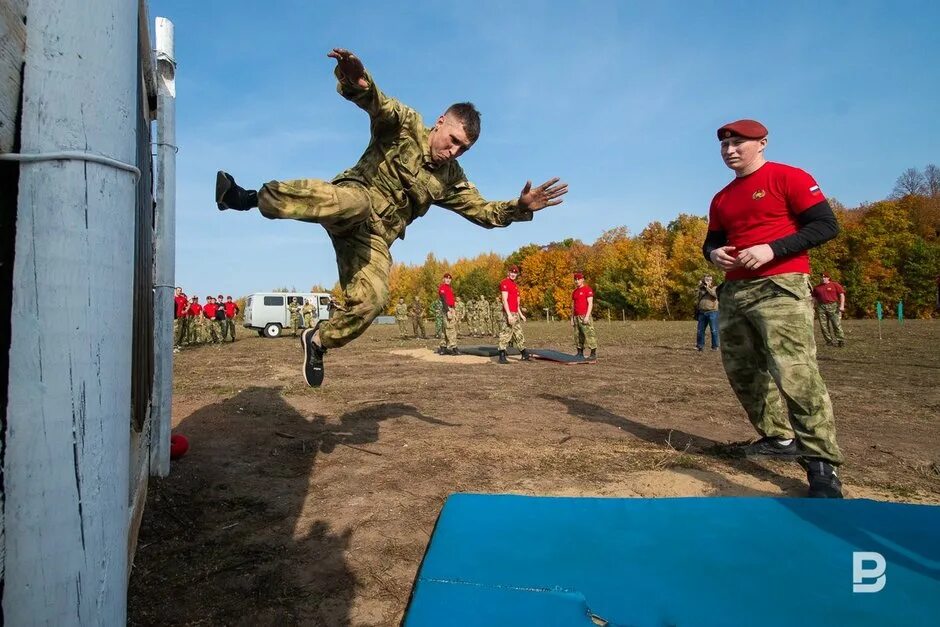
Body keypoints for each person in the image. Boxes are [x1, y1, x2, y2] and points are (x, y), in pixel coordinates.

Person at [215, 48, 567, 387]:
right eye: (453, 140)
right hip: (352, 200)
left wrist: (519, 207)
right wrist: (357, 81)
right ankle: (245, 197)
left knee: (374, 299)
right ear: (441, 122)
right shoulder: (407, 125)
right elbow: (377, 104)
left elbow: (485, 212)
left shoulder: (451, 178)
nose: (453, 151)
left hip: (373, 240)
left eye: (463, 149)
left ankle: (319, 340)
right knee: (355, 204)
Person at [702, 118, 844, 498]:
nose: (729, 150)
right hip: (734, 292)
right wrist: (714, 254)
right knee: (743, 372)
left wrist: (772, 249)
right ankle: (778, 439)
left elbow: (826, 226)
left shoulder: (790, 178)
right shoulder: (721, 197)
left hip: (781, 285)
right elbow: (711, 242)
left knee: (795, 371)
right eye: (724, 145)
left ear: (762, 143)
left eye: (738, 143)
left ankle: (821, 464)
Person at [497, 266, 529, 364]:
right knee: (506, 333)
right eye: (511, 272)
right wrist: (509, 315)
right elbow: (504, 300)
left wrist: (521, 314)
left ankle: (524, 353)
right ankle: (501, 355)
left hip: (515, 313)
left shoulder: (515, 285)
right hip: (508, 313)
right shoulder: (504, 283)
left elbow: (517, 303)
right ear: (508, 272)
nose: (513, 274)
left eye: (515, 273)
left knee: (518, 333)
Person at [812, 273, 846, 347]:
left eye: (825, 277)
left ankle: (840, 340)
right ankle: (829, 341)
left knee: (836, 324)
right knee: (823, 325)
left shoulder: (834, 285)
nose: (823, 278)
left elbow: (842, 295)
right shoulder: (817, 287)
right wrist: (812, 307)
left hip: (833, 306)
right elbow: (814, 298)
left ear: (828, 278)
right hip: (821, 307)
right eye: (822, 277)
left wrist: (842, 306)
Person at [571, 272, 597, 359]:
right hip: (576, 316)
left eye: (578, 279)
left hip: (584, 315)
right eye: (575, 279)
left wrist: (587, 316)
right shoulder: (574, 292)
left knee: (589, 334)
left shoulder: (587, 289)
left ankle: (593, 354)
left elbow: (590, 303)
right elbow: (573, 305)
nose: (577, 281)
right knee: (578, 335)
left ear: (582, 280)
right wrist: (572, 317)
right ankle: (579, 353)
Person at [695, 274, 720, 352]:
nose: (708, 281)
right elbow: (696, 296)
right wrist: (699, 287)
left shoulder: (715, 288)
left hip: (712, 312)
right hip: (702, 312)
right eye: (706, 279)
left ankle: (715, 346)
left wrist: (707, 287)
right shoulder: (701, 289)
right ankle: (700, 346)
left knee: (714, 330)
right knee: (700, 330)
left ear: (712, 281)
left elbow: (715, 295)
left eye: (709, 280)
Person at [437, 273, 459, 355]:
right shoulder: (442, 287)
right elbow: (443, 300)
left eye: (449, 278)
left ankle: (443, 347)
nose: (448, 279)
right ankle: (454, 347)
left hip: (451, 308)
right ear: (443, 279)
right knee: (450, 328)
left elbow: (451, 300)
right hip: (446, 309)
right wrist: (447, 311)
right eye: (446, 278)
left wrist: (453, 310)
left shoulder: (450, 288)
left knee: (445, 329)